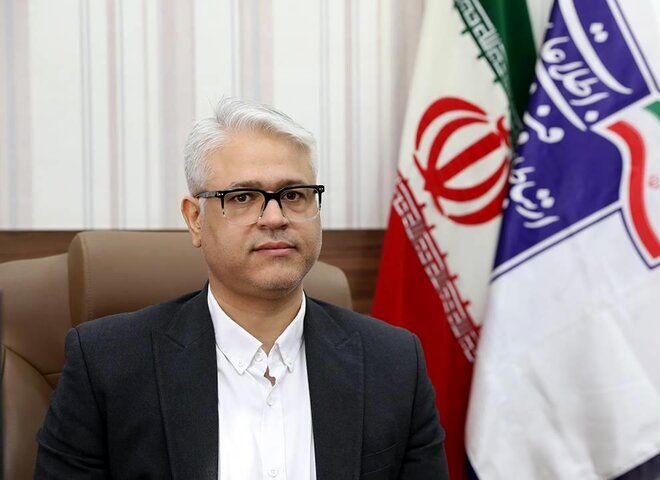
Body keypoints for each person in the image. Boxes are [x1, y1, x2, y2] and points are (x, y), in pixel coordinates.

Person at [34, 98, 448, 479]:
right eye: (243, 197)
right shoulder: (106, 364)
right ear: (195, 219)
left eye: (294, 194)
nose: (275, 217)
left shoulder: (393, 363)